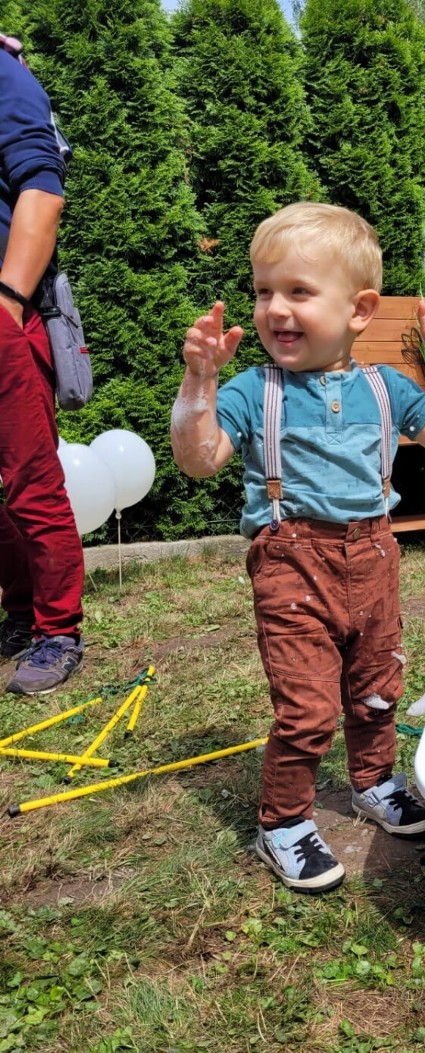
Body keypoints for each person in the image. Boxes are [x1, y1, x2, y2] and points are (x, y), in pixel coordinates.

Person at [171, 201, 425, 894]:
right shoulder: (255, 390)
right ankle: (282, 822)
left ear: (359, 309)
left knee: (375, 689)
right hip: (290, 561)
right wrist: (200, 382)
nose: (275, 308)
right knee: (307, 707)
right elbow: (198, 459)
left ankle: (373, 782)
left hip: (373, 559)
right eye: (263, 291)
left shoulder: (385, 388)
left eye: (298, 292)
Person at [0, 35, 85, 695]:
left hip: (6, 315)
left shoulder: (5, 75)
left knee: (31, 479)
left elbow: (42, 192)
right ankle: (20, 613)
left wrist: (6, 303)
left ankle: (58, 630)